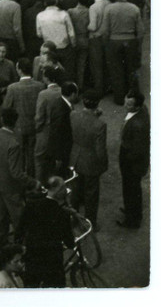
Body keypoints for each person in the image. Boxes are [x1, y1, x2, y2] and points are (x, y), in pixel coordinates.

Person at [0, 107, 34, 251]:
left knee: (0, 215)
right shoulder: (14, 143)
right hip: (10, 186)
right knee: (18, 216)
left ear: (2, 119)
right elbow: (16, 173)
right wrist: (32, 182)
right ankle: (19, 245)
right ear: (15, 122)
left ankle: (0, 242)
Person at [18, 179, 73, 287]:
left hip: (33, 257)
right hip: (52, 262)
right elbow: (69, 241)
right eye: (63, 188)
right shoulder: (62, 214)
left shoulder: (31, 206)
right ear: (58, 191)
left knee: (31, 287)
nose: (65, 190)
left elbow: (20, 229)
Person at [70, 90, 108, 228]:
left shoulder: (73, 115)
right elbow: (100, 150)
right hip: (91, 162)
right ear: (97, 104)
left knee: (75, 192)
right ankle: (89, 222)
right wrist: (103, 165)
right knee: (91, 194)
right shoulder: (100, 124)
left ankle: (73, 219)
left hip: (75, 157)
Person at [117, 90, 150, 229]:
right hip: (134, 161)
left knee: (131, 190)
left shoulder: (137, 125)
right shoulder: (142, 110)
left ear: (137, 106)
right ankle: (131, 210)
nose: (126, 106)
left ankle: (132, 220)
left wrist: (126, 159)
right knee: (132, 190)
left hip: (132, 164)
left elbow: (137, 150)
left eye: (129, 105)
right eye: (126, 101)